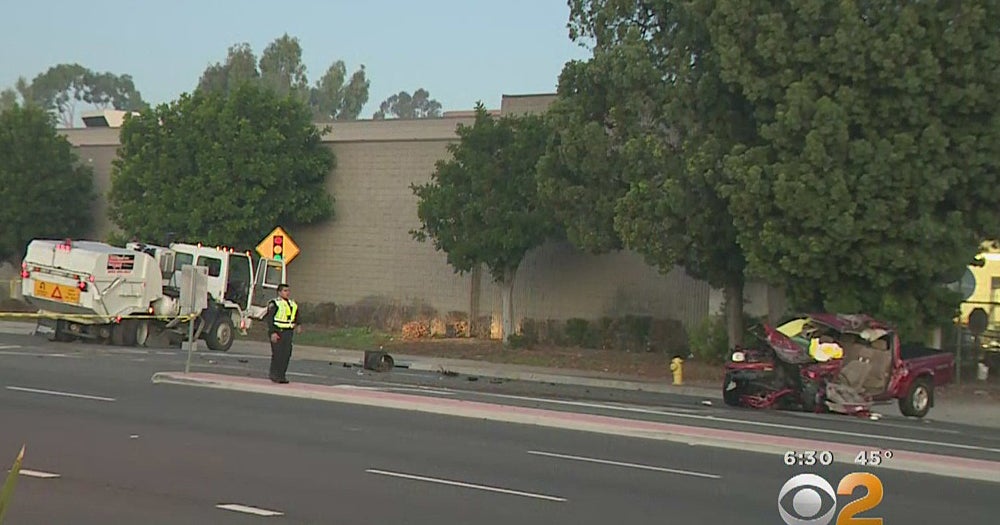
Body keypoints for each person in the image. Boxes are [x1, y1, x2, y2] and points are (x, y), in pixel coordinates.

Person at [265, 283, 300, 383]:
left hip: (288, 332)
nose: (287, 293)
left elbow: (296, 315)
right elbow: (270, 319)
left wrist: (298, 324)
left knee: (286, 354)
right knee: (278, 354)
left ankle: (282, 375)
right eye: (285, 291)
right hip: (278, 331)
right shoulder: (275, 303)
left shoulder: (292, 303)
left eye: (288, 291)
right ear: (279, 292)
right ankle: (274, 374)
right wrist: (272, 332)